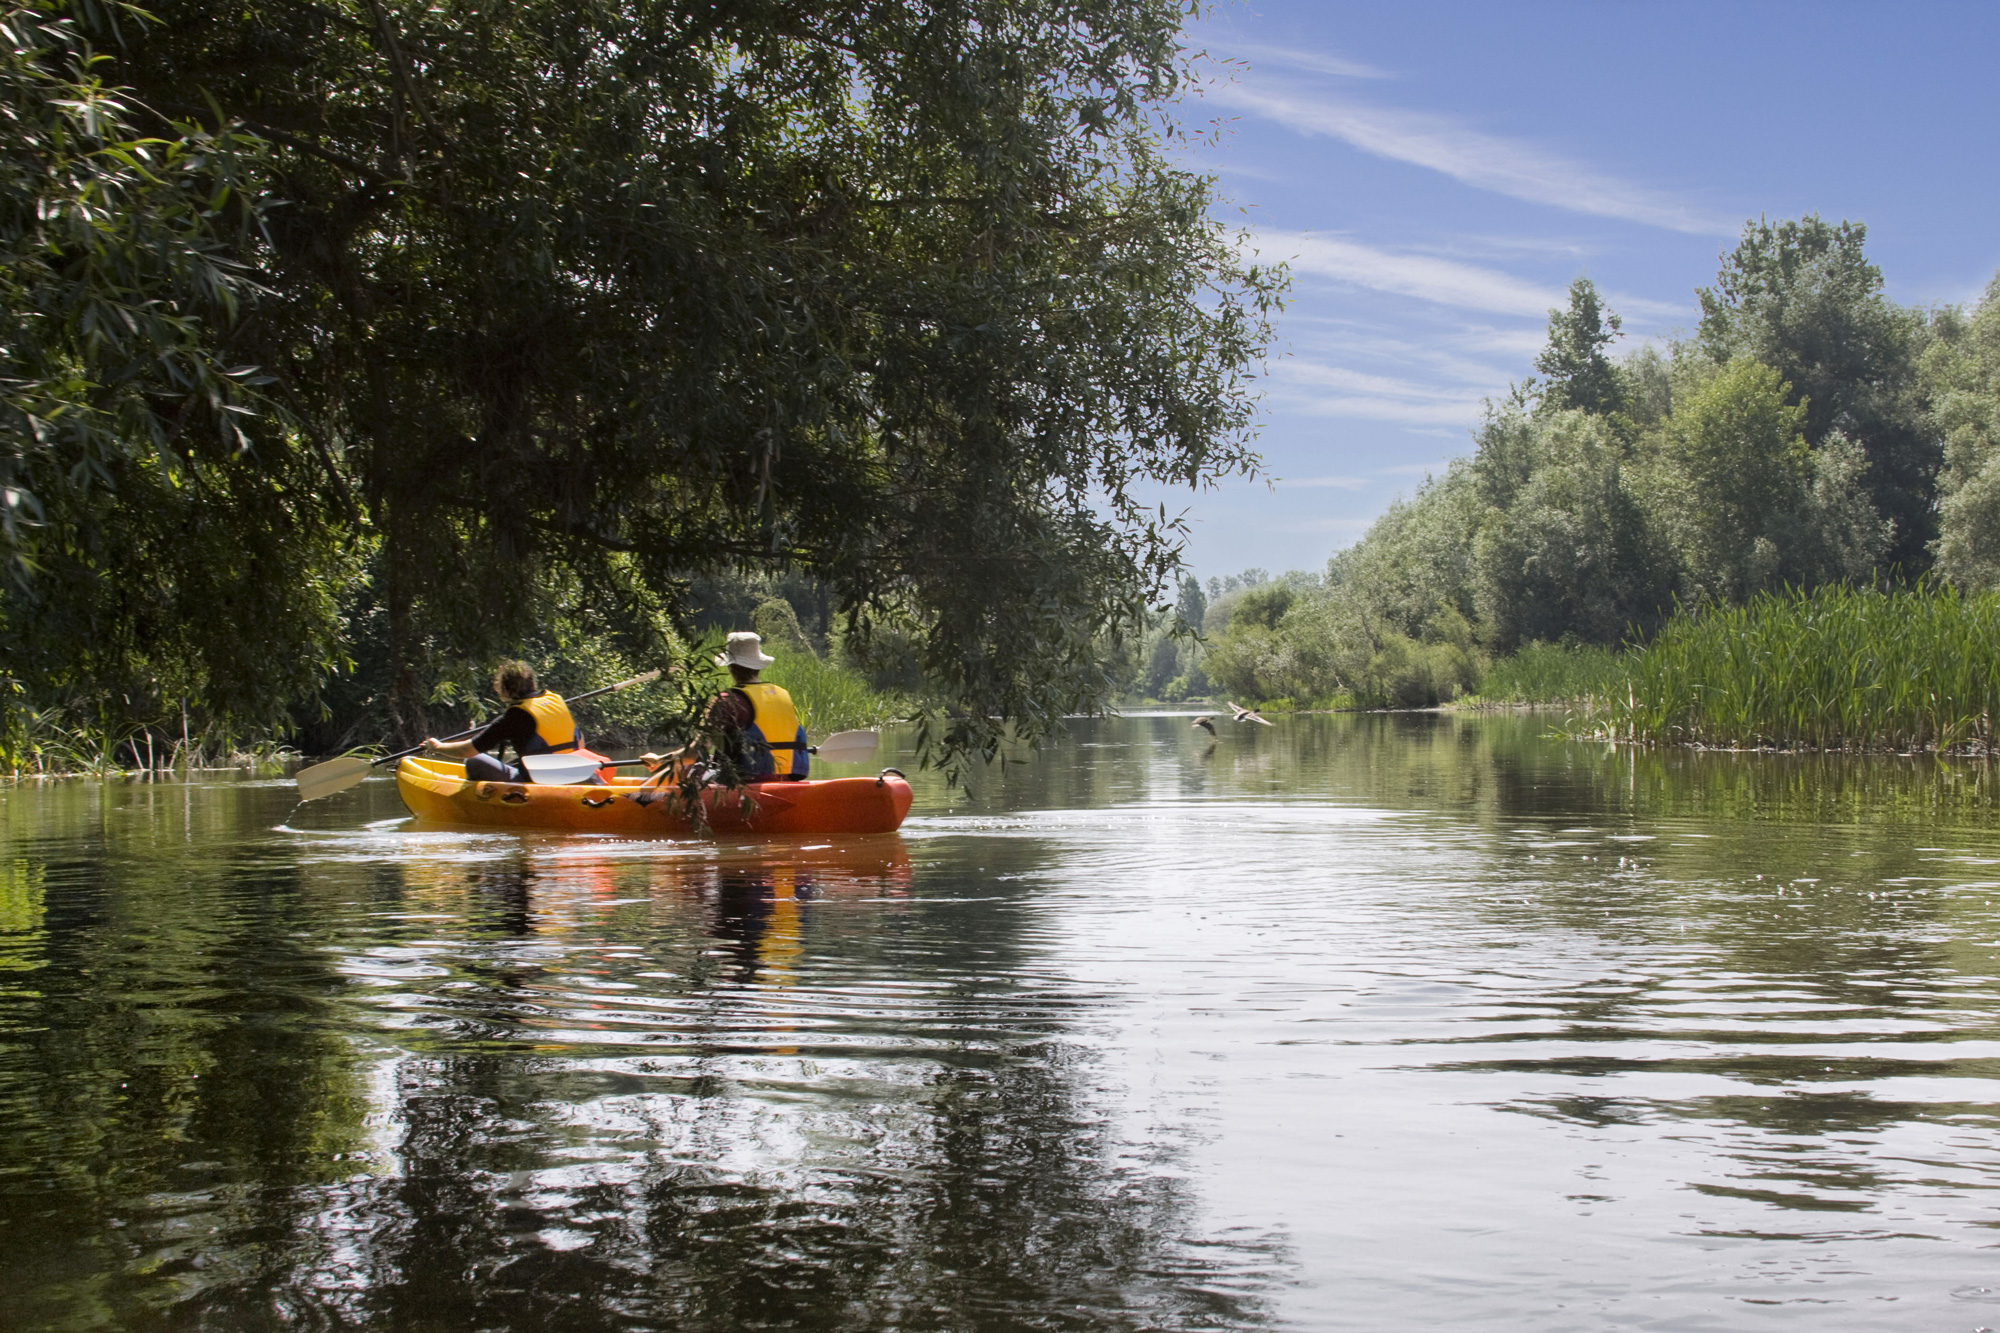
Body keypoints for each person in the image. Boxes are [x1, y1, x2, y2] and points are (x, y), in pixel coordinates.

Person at [646, 632, 809, 784]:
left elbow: (693, 754)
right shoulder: (782, 694)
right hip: (787, 779)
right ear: (758, 666)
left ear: (730, 667)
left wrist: (659, 759)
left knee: (685, 766)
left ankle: (642, 799)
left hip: (745, 783)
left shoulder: (727, 701)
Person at [424, 660, 589, 783]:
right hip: (577, 773)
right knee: (516, 762)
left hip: (542, 780)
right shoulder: (556, 700)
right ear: (532, 684)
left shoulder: (514, 716)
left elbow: (467, 750)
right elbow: (580, 741)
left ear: (503, 691)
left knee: (474, 761)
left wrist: (437, 747)